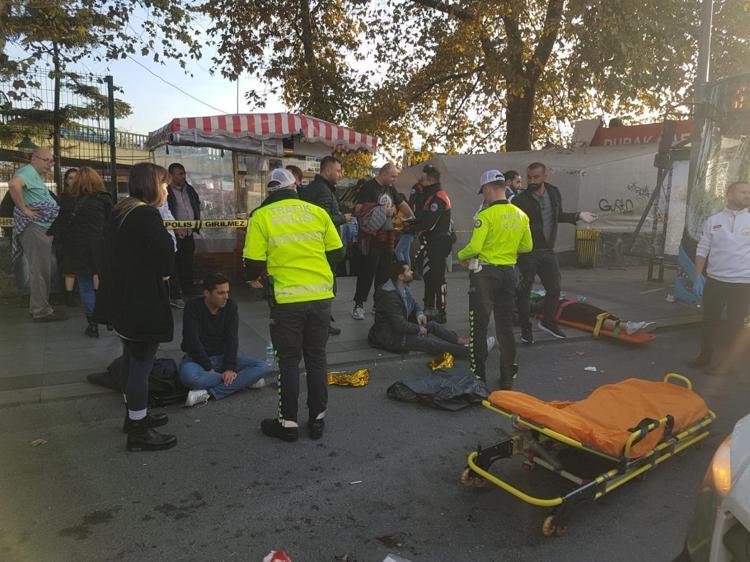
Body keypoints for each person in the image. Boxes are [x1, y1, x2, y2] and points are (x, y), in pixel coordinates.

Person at [243, 167, 344, 442]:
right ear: (294, 187)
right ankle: (317, 419)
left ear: (269, 191)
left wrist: (254, 279)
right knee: (316, 357)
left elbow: (252, 262)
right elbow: (338, 252)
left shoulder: (261, 216)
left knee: (288, 361)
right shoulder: (316, 212)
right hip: (320, 297)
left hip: (286, 300)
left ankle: (287, 423)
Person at [95, 162, 176, 452]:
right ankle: (139, 431)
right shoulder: (145, 214)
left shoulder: (123, 210)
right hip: (141, 302)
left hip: (122, 301)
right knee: (142, 363)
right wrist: (164, 271)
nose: (166, 190)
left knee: (131, 358)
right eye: (164, 184)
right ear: (152, 184)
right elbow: (165, 255)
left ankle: (134, 416)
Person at [457, 170, 533, 389]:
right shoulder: (521, 214)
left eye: (483, 192)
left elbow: (475, 247)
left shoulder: (485, 215)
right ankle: (507, 377)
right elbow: (527, 246)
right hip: (509, 273)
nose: (484, 196)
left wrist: (460, 256)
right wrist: (507, 250)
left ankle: (478, 378)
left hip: (485, 274)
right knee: (505, 326)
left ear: (488, 189)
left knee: (478, 327)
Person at [512, 162, 597, 343]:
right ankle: (526, 329)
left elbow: (557, 215)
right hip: (528, 251)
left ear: (545, 176)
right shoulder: (520, 200)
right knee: (524, 291)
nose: (532, 181)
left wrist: (578, 215)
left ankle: (548, 322)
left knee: (554, 288)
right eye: (529, 177)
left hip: (548, 250)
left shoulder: (553, 193)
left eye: (536, 177)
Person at [180, 273, 269, 406]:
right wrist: (208, 367)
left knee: (261, 366)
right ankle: (244, 381)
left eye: (227, 292)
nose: (226, 297)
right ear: (207, 293)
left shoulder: (230, 306)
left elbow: (232, 338)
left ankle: (208, 393)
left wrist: (229, 368)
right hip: (197, 360)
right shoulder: (193, 307)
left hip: (223, 356)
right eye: (221, 293)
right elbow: (192, 340)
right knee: (189, 377)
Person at [689, 181, 750, 374]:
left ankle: (726, 364)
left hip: (742, 283)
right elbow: (702, 249)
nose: (747, 195)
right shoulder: (713, 221)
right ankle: (704, 356)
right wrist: (697, 276)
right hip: (715, 281)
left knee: (735, 325)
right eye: (743, 192)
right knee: (709, 321)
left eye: (749, 192)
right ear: (729, 195)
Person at [369, 261, 488, 358]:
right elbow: (399, 325)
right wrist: (418, 329)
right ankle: (472, 352)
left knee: (433, 325)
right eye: (408, 270)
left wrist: (419, 314)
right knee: (430, 343)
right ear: (400, 276)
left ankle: (463, 341)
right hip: (391, 337)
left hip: (400, 330)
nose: (412, 272)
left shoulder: (403, 287)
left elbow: (414, 304)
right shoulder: (390, 297)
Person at [51, 167, 112, 337]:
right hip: (100, 246)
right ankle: (110, 319)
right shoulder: (104, 199)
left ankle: (92, 325)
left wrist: (52, 235)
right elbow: (111, 222)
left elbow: (61, 224)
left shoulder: (69, 201)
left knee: (85, 286)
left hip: (78, 249)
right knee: (105, 283)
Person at [297, 155, 352, 336]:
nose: (340, 174)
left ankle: (319, 322)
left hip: (314, 245)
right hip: (324, 247)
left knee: (319, 285)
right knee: (327, 286)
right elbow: (324, 220)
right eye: (338, 171)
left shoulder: (317, 188)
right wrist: (343, 218)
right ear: (328, 170)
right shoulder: (323, 191)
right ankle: (322, 324)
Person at [8, 148, 64, 322]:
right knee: (40, 271)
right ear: (34, 158)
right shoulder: (28, 171)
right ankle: (41, 311)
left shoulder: (33, 175)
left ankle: (38, 308)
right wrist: (24, 209)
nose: (50, 164)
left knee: (41, 270)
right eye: (46, 160)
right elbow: (13, 185)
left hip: (40, 228)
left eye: (52, 161)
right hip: (36, 228)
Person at [352, 163, 414, 320]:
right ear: (384, 174)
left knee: (384, 273)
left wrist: (413, 218)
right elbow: (358, 209)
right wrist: (380, 210)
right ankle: (359, 305)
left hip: (387, 236)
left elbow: (401, 203)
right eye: (393, 176)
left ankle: (378, 304)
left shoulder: (390, 188)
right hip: (371, 236)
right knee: (367, 271)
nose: (394, 179)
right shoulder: (369, 187)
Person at [408, 164, 453, 324]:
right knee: (428, 275)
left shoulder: (438, 197)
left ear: (429, 179)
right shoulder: (429, 195)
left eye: (423, 177)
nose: (420, 180)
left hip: (439, 242)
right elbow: (421, 215)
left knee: (438, 278)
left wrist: (410, 227)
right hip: (430, 241)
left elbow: (429, 223)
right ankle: (429, 307)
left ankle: (441, 311)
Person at [166, 162, 201, 308]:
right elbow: (166, 212)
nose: (183, 176)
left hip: (188, 233)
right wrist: (175, 228)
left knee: (188, 263)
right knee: (174, 266)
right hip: (173, 235)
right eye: (179, 174)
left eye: (184, 173)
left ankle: (189, 290)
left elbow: (196, 205)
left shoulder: (189, 189)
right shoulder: (166, 191)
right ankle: (175, 295)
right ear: (171, 175)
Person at [58, 167, 78, 306]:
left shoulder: (86, 196)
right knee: (69, 268)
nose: (74, 180)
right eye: (70, 178)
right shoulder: (63, 198)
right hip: (68, 237)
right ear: (66, 181)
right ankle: (69, 297)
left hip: (82, 235)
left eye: (76, 177)